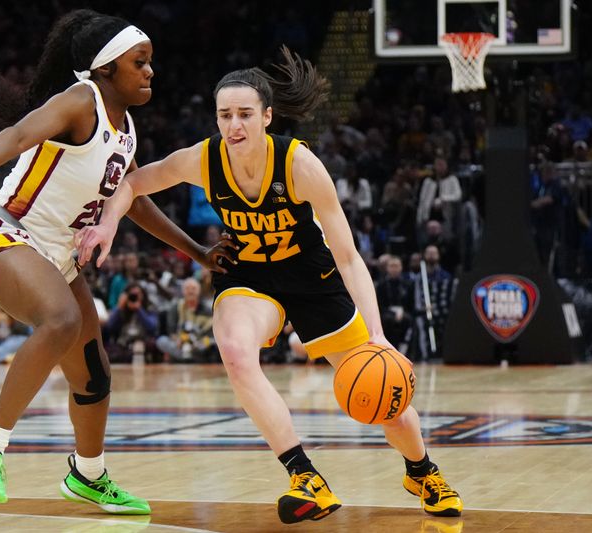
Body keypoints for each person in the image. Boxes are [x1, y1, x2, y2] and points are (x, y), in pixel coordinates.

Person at [77, 46, 463, 524]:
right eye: (224, 115)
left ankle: (421, 470)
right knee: (236, 352)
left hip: (311, 275)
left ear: (266, 116)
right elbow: (134, 183)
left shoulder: (300, 164)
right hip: (249, 276)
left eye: (244, 114)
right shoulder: (204, 160)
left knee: (383, 390)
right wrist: (110, 222)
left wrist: (378, 335)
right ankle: (305, 477)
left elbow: (346, 255)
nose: (233, 125)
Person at [0, 9, 230, 514]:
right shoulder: (81, 100)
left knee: (94, 375)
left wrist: (199, 253)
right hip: (5, 232)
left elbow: (136, 200)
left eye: (150, 63)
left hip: (58, 256)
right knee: (61, 319)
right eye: (139, 63)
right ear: (104, 69)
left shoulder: (126, 131)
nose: (150, 72)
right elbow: (18, 134)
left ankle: (88, 474)